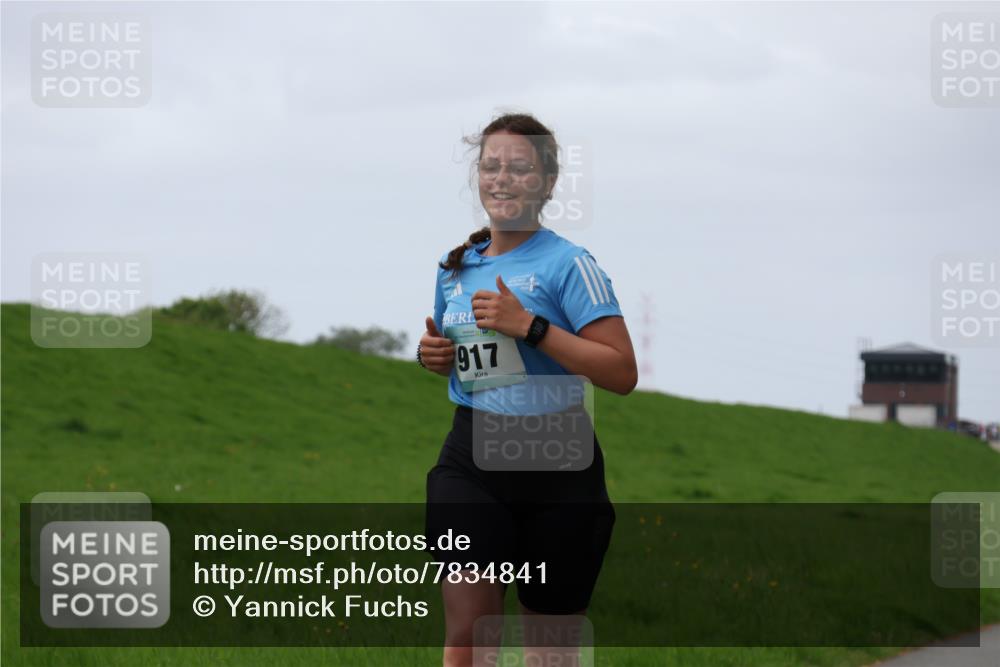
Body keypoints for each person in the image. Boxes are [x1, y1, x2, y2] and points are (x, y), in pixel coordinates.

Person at [418, 112, 637, 667]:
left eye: (519, 168)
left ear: (545, 182)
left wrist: (531, 327)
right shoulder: (455, 268)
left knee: (549, 652)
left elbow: (621, 372)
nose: (502, 178)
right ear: (478, 177)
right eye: (491, 166)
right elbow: (474, 363)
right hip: (471, 459)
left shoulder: (571, 265)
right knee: (470, 631)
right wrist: (438, 358)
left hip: (558, 466)